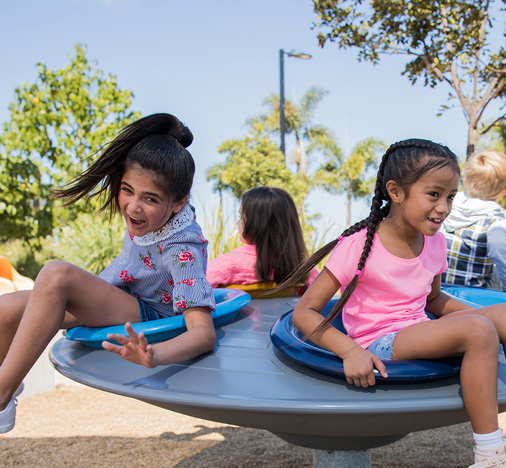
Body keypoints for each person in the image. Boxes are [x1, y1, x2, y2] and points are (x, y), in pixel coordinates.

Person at [282, 139, 506, 468]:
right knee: (480, 329)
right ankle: (490, 457)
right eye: (434, 194)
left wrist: (487, 316)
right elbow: (306, 311)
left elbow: (432, 300)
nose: (444, 208)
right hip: (380, 342)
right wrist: (349, 350)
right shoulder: (359, 243)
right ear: (395, 192)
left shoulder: (434, 241)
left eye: (450, 196)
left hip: (417, 329)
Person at [0, 113, 217, 434]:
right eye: (127, 190)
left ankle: (1, 395)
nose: (133, 206)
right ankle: (8, 384)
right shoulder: (150, 219)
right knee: (5, 309)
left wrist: (156, 355)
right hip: (121, 295)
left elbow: (204, 333)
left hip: (148, 315)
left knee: (56, 275)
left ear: (179, 203)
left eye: (150, 198)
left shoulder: (181, 245)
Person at [206, 186, 318, 289]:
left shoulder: (227, 264)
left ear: (256, 223)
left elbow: (192, 294)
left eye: (241, 217)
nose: (237, 223)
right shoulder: (305, 270)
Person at [441, 149, 506, 293]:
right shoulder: (498, 218)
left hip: (435, 287)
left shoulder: (444, 205)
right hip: (470, 294)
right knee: (503, 272)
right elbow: (499, 249)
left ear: (464, 182)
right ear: (505, 190)